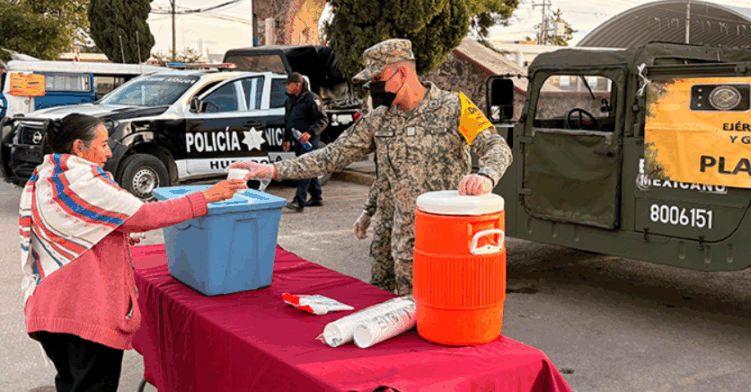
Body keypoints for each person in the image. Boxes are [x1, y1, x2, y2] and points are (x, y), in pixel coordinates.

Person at [231, 38, 513, 295]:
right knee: (405, 318)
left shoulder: (455, 107)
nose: (374, 87)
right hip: (405, 248)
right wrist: (273, 170)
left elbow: (496, 146)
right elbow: (331, 155)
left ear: (402, 73)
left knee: (448, 318)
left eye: (378, 79)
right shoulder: (379, 119)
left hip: (448, 242)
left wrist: (486, 176)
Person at [20, 113, 245, 392]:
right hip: (80, 313)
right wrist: (207, 196)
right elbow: (146, 215)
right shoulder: (82, 180)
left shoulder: (50, 174)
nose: (108, 151)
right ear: (79, 147)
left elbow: (78, 228)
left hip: (52, 309)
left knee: (72, 385)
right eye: (102, 144)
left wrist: (120, 233)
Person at [282, 71, 328, 212]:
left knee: (304, 168)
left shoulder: (312, 99)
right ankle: (316, 197)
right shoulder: (290, 100)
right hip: (297, 139)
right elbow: (288, 121)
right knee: (309, 168)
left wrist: (310, 133)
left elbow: (323, 120)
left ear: (297, 85)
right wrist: (287, 139)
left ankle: (299, 201)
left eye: (288, 85)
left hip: (309, 140)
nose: (286, 88)